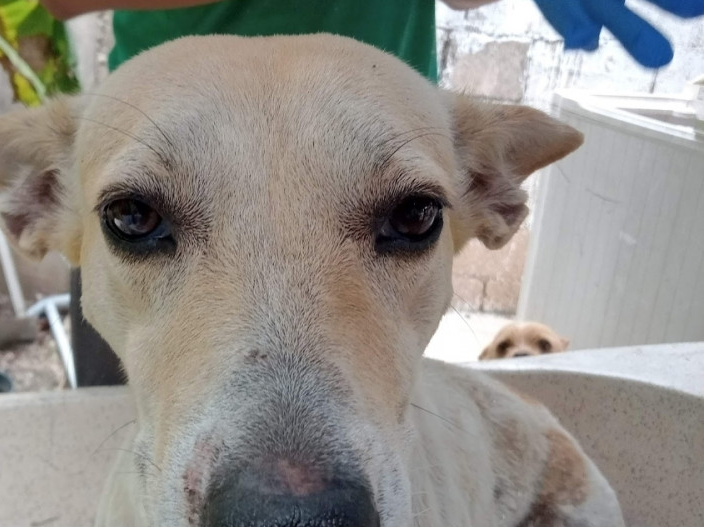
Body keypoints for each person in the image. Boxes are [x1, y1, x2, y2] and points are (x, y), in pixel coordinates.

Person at [40, 0, 704, 385]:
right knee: (113, 471)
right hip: (150, 152)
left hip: (388, 140)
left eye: (414, 221)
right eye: (139, 217)